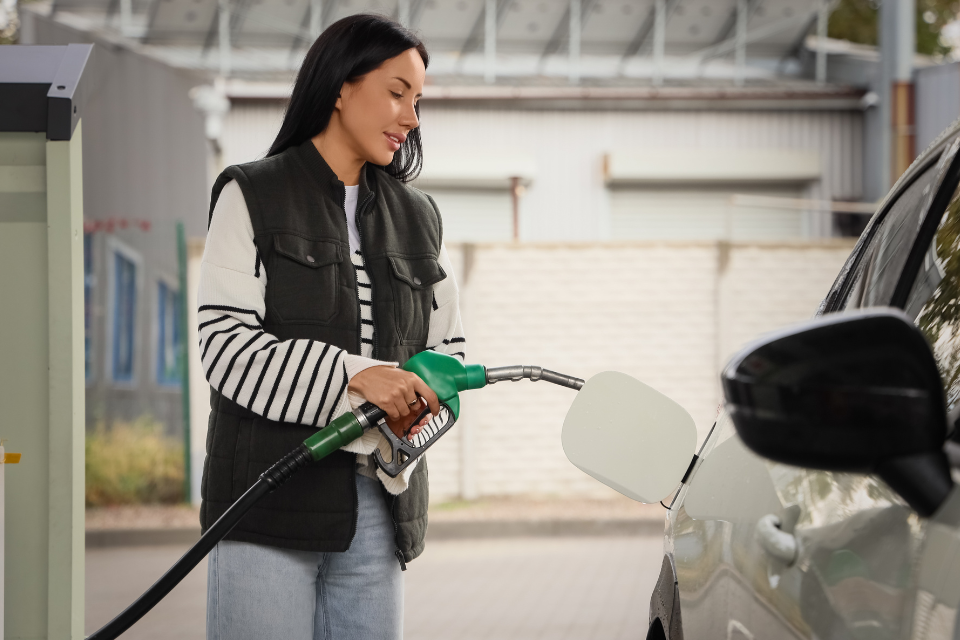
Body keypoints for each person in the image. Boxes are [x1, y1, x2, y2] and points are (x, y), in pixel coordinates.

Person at [197, 14, 466, 640]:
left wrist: (417, 413)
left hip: (379, 512)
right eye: (397, 92)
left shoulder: (419, 217)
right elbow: (227, 349)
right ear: (341, 85)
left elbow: (448, 352)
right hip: (264, 510)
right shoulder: (250, 195)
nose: (411, 116)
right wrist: (357, 379)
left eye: (418, 101)